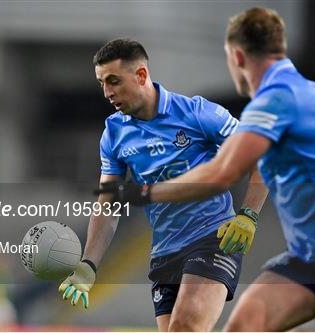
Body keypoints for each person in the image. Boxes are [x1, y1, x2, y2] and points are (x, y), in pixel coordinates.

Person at [97, 8, 315, 332]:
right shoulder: (310, 93)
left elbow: (220, 175)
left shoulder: (272, 103)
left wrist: (146, 192)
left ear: (237, 57)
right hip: (312, 259)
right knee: (245, 325)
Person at [59, 38, 268, 331]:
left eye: (114, 81)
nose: (107, 92)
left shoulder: (196, 113)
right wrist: (88, 265)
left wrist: (249, 215)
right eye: (102, 83)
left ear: (141, 75)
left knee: (186, 328)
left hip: (213, 238)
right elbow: (108, 204)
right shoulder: (114, 134)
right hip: (164, 254)